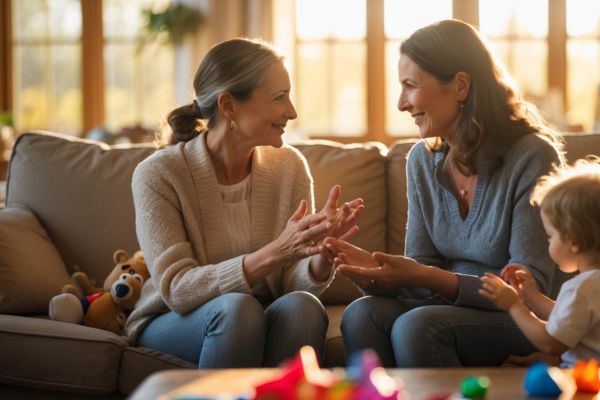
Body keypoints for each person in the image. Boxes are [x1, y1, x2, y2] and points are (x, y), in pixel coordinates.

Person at [323, 19, 565, 367]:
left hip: (525, 318)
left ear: (461, 86)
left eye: (410, 85)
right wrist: (379, 274)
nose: (401, 104)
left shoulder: (533, 156)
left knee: (417, 326)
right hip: (455, 310)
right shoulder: (421, 161)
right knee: (363, 314)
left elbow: (529, 288)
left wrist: (424, 276)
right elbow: (423, 273)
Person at [125, 38, 364, 368]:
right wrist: (275, 252)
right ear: (229, 106)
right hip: (174, 319)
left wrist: (320, 258)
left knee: (302, 306)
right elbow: (177, 290)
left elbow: (288, 281)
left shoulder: (288, 166)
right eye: (279, 97)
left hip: (257, 310)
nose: (292, 111)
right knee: (238, 308)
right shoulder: (159, 174)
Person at [480, 157, 600, 367]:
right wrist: (532, 297)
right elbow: (569, 319)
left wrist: (514, 305)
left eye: (550, 236)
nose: (548, 242)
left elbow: (551, 343)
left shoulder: (580, 289)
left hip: (583, 382)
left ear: (574, 242)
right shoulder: (591, 287)